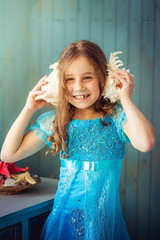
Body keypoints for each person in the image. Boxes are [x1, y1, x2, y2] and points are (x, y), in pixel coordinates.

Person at [1, 40, 156, 240]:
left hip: (104, 224)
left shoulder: (116, 117)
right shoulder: (57, 121)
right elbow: (8, 154)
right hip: (63, 222)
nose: (78, 87)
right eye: (69, 79)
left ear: (104, 78)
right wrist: (28, 109)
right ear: (60, 83)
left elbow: (146, 143)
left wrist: (125, 99)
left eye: (88, 77)